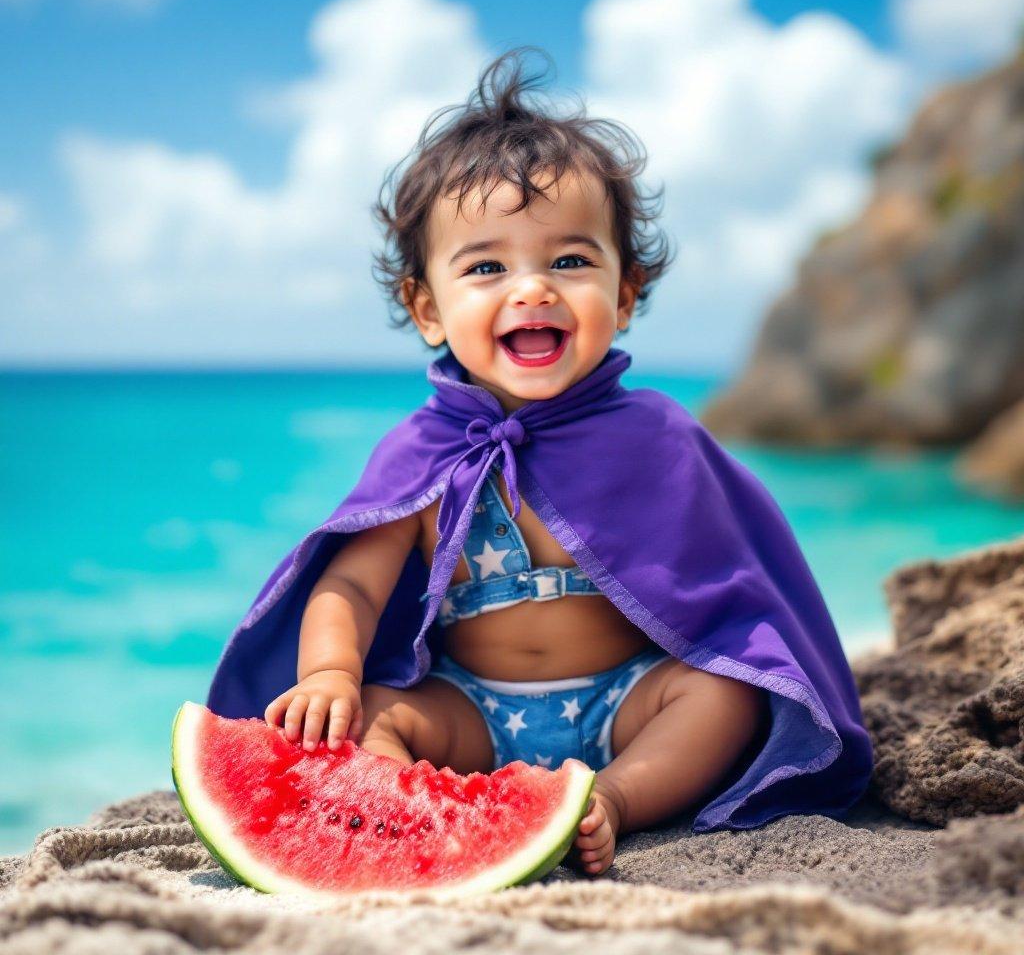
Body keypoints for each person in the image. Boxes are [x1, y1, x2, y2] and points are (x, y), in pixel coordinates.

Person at [208, 46, 872, 878]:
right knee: (379, 719)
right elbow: (350, 584)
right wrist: (331, 674)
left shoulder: (658, 437)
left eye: (570, 260)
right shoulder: (423, 454)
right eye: (486, 266)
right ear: (428, 309)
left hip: (630, 696)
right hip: (471, 712)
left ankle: (617, 801)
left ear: (624, 295)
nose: (531, 289)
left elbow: (734, 589)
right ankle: (411, 821)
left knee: (722, 695)